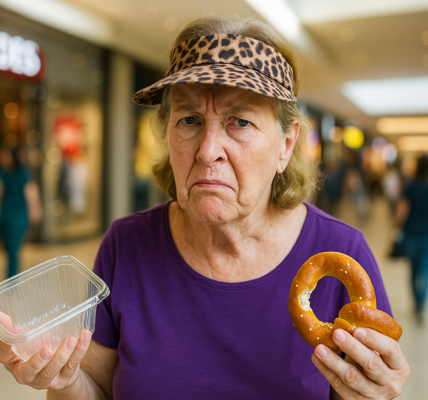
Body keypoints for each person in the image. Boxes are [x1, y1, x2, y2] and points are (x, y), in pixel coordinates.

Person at [0, 15, 409, 400]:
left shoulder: (343, 251)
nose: (208, 151)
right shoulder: (126, 245)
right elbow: (97, 389)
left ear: (286, 145)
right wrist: (66, 381)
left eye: (240, 122)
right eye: (190, 120)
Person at [0, 145, 42, 279]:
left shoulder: (22, 173)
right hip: (5, 217)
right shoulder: (3, 172)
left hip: (18, 218)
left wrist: (35, 211)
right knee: (9, 251)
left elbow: (31, 194)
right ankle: (11, 280)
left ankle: (11, 280)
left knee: (13, 251)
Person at [395, 155, 428, 322]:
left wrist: (396, 226)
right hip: (426, 237)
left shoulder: (411, 188)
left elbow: (402, 212)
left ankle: (416, 301)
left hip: (411, 235)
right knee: (424, 270)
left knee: (413, 271)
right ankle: (420, 304)